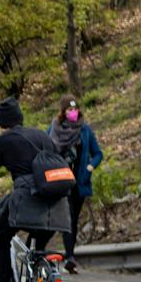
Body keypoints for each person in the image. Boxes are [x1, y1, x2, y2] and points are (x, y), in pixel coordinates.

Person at [0, 98, 73, 282]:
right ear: (20, 118)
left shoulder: (1, 142)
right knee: (39, 245)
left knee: (0, 236)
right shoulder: (41, 136)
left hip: (26, 201)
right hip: (58, 204)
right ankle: (44, 274)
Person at [48, 98, 103, 271]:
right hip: (61, 179)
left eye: (76, 109)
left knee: (72, 219)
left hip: (79, 181)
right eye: (69, 110)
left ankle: (68, 254)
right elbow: (45, 148)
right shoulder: (54, 129)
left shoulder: (85, 130)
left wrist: (90, 166)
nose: (73, 113)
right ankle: (69, 257)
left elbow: (98, 153)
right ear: (63, 112)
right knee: (68, 216)